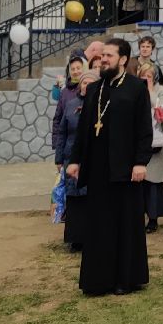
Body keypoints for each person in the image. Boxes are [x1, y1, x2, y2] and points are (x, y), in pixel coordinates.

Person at [66, 38, 153, 296]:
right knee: (99, 225)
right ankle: (98, 280)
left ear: (123, 59)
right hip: (98, 170)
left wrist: (140, 162)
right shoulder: (95, 89)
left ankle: (125, 279)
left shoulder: (136, 88)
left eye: (109, 56)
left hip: (126, 170)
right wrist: (75, 160)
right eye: (102, 55)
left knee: (124, 225)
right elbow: (83, 130)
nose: (103, 59)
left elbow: (144, 129)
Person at [53, 65, 96, 251]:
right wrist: (59, 158)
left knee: (90, 199)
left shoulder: (101, 106)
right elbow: (62, 132)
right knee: (74, 198)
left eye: (91, 82)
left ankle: (92, 238)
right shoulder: (71, 105)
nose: (87, 85)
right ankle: (74, 238)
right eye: (84, 82)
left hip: (93, 159)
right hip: (71, 157)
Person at [140, 57, 163, 234]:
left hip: (156, 141)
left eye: (149, 75)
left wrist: (150, 90)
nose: (145, 78)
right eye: (143, 75)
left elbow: (162, 111)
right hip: (140, 139)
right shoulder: (135, 91)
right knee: (141, 181)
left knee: (153, 181)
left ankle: (153, 217)